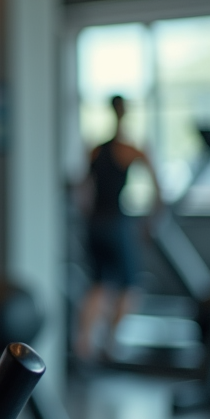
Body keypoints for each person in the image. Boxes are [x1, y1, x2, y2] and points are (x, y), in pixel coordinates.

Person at [75, 95, 161, 362]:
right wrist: (151, 221)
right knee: (130, 287)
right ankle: (110, 343)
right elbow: (158, 189)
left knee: (98, 285)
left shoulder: (95, 150)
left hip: (95, 224)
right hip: (116, 223)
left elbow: (83, 193)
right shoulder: (130, 150)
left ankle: (85, 346)